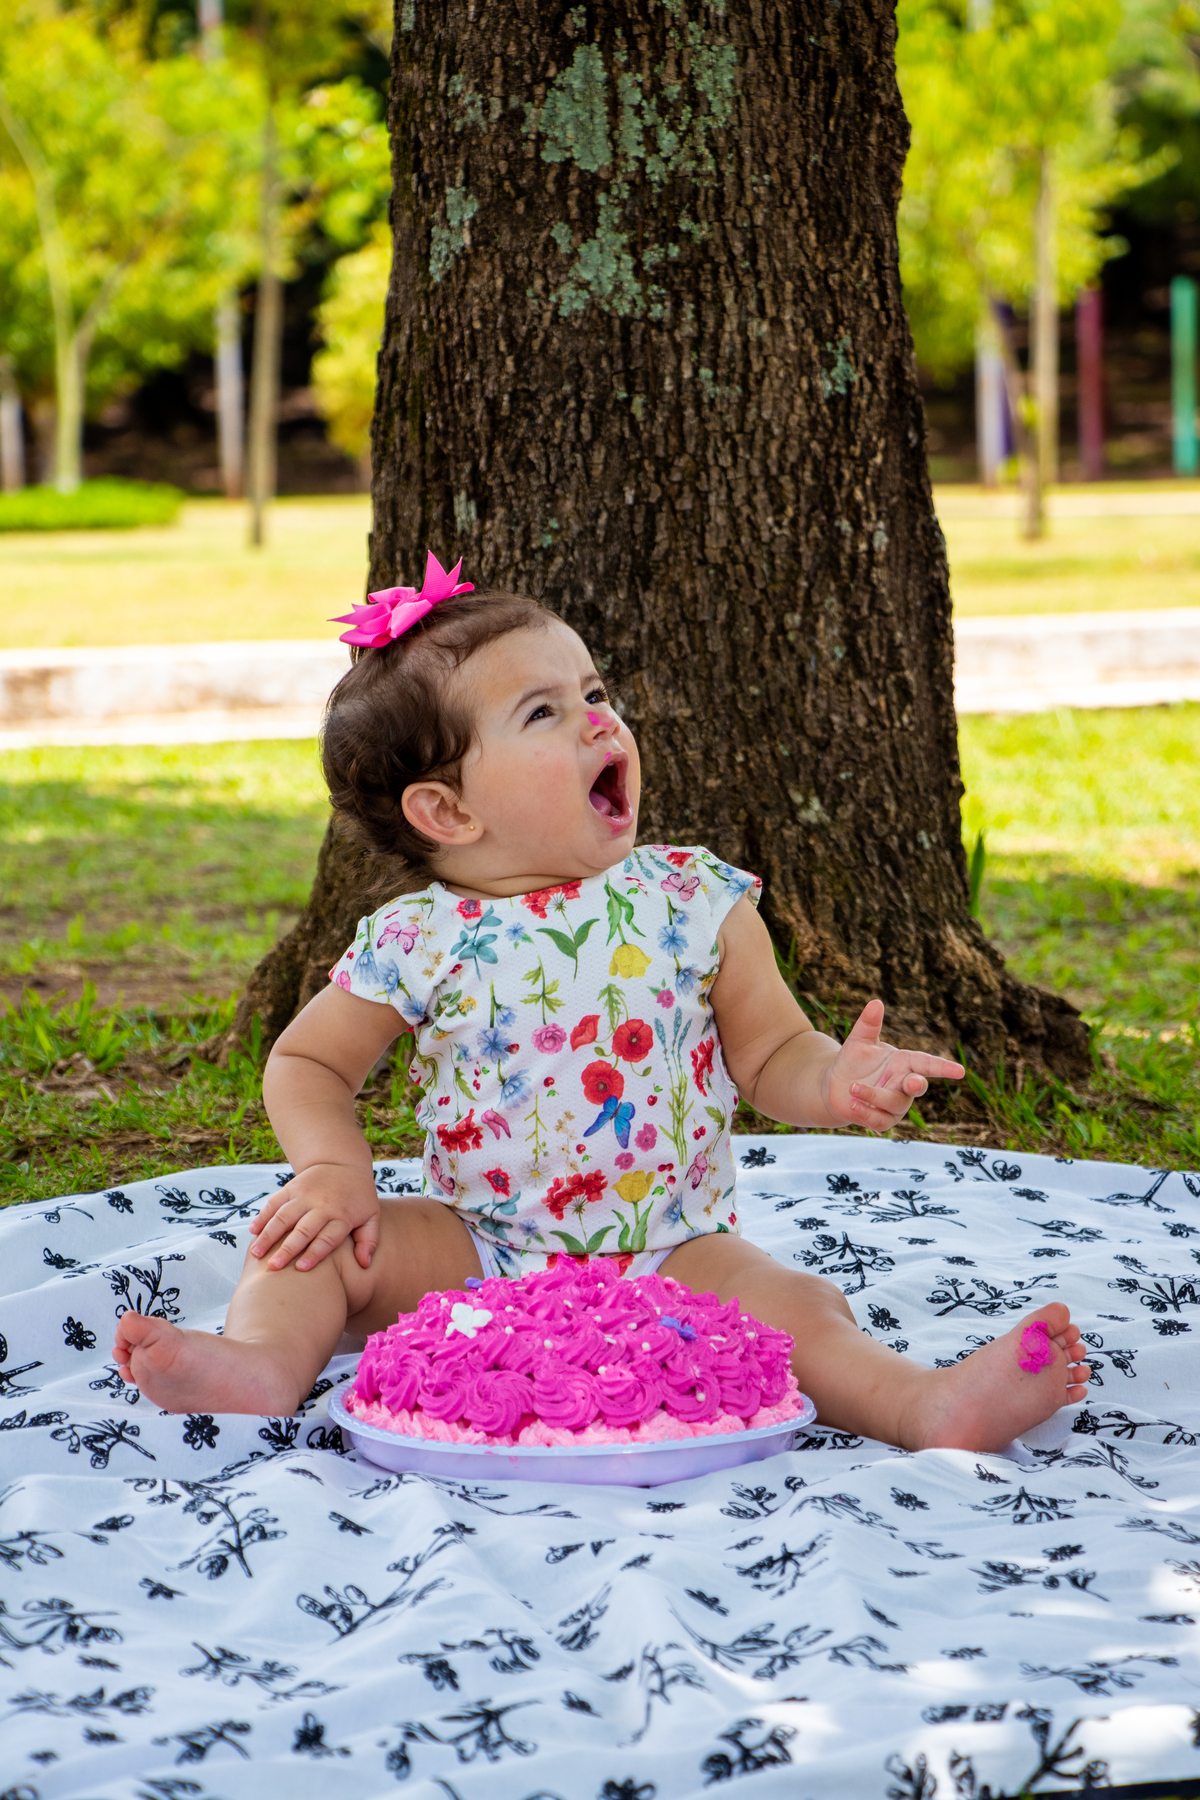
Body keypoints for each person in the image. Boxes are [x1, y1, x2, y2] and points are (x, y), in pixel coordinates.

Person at [115, 554, 1091, 1448]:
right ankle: (260, 1365)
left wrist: (836, 1078)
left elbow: (771, 1053)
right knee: (310, 1245)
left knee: (796, 1309)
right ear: (448, 811)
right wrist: (333, 1171)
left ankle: (923, 1405)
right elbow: (307, 1061)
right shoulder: (418, 940)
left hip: (677, 1252)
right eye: (543, 713)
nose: (598, 721)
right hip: (474, 1249)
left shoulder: (693, 900)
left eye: (594, 692)